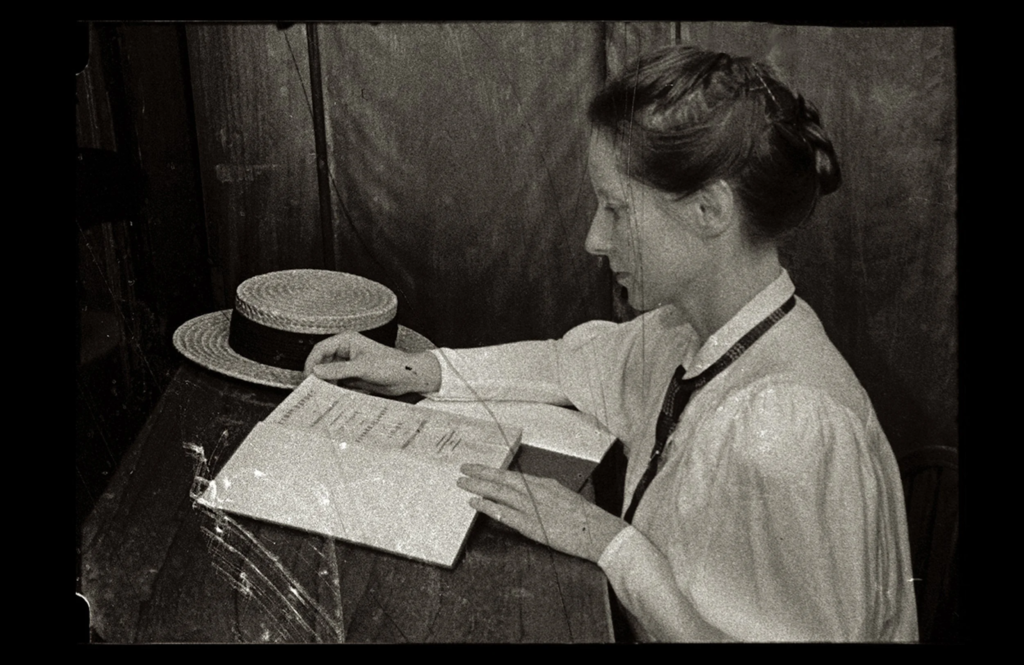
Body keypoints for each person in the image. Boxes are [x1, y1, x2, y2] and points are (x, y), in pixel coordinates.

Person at [303, 46, 918, 642]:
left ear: (709, 210)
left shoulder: (788, 424)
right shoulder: (689, 330)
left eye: (617, 209)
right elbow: (570, 363)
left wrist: (607, 541)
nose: (595, 238)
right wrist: (417, 370)